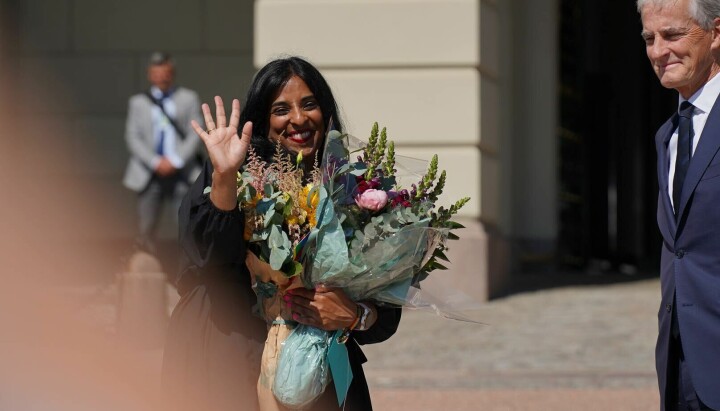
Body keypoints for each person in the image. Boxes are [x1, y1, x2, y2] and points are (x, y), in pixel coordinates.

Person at [161, 56, 402, 411]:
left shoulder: (351, 188)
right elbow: (208, 260)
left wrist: (353, 315)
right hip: (233, 357)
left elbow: (385, 309)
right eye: (281, 109)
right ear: (262, 119)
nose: (299, 119)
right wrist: (224, 178)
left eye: (309, 104)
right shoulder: (233, 174)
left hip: (320, 369)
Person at [639, 0, 720, 410]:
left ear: (717, 34)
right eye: (649, 38)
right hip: (680, 361)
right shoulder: (667, 136)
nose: (657, 51)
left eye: (672, 35)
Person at [122, 51, 203, 254]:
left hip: (181, 172)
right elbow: (133, 137)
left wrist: (176, 160)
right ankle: (145, 267)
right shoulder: (138, 102)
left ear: (172, 73)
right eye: (157, 73)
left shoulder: (188, 98)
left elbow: (196, 132)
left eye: (166, 73)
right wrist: (155, 162)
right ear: (150, 74)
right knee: (146, 225)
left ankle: (187, 268)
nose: (162, 77)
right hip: (149, 173)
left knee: (186, 224)